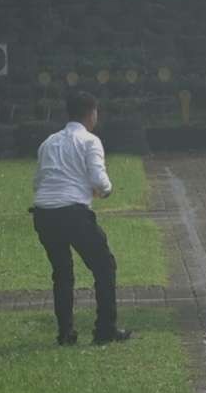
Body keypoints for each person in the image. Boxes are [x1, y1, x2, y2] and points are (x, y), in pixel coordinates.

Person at [31, 91, 132, 345]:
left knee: (62, 273)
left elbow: (38, 181)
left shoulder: (49, 142)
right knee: (104, 267)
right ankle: (105, 330)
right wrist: (106, 190)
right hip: (72, 213)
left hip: (43, 213)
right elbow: (99, 180)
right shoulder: (90, 141)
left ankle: (65, 333)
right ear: (92, 113)